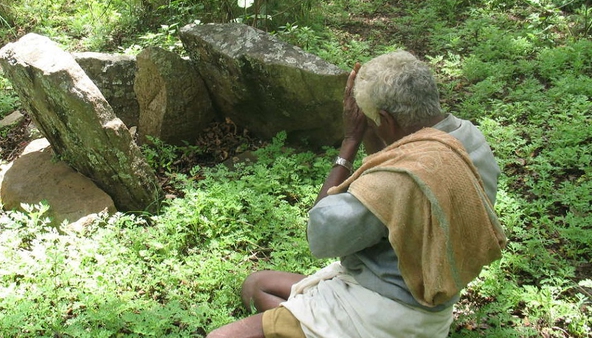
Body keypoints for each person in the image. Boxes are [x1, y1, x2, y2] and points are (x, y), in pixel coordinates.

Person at [206, 50, 507, 338]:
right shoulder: (470, 141)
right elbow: (395, 161)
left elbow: (320, 235)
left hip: (380, 315)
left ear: (386, 120)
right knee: (257, 286)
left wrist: (351, 140)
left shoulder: (396, 180)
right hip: (433, 313)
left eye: (371, 120)